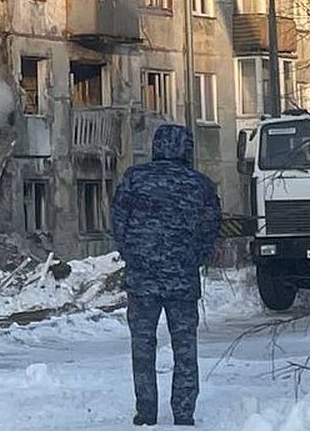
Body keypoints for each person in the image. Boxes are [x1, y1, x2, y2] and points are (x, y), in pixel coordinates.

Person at [111, 123, 221, 427]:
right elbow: (211, 229)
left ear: (156, 145)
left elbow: (118, 223)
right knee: (185, 347)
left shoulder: (135, 179)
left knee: (142, 347)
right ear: (187, 148)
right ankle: (183, 412)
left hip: (142, 280)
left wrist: (133, 255)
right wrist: (192, 259)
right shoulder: (200, 184)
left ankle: (146, 412)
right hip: (183, 281)